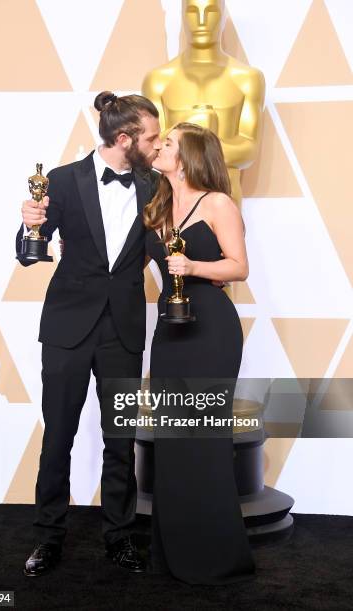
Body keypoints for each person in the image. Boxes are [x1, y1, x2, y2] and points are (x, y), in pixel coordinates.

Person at [16, 90, 162, 576]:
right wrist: (27, 225)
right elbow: (29, 249)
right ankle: (48, 538)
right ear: (125, 139)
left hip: (121, 328)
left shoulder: (153, 185)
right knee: (58, 436)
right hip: (67, 327)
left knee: (119, 439)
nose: (157, 145)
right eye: (152, 137)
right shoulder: (61, 180)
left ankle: (119, 538)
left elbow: (166, 249)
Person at [144, 122, 256, 584]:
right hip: (170, 331)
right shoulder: (158, 206)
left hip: (210, 329)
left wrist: (193, 265)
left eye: (167, 143)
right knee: (171, 439)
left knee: (204, 438)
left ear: (188, 157)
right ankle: (174, 554)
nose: (159, 146)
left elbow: (239, 266)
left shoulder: (217, 203)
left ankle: (215, 558)